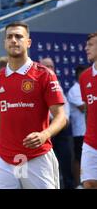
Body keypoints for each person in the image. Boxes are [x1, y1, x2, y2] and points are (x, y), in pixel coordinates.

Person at [0, 22, 66, 189]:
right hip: (4, 158)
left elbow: (61, 116)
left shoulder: (44, 74)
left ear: (28, 42)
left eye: (19, 36)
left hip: (36, 156)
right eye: (9, 37)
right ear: (4, 42)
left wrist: (44, 135)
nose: (14, 40)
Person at [40, 57, 74, 189]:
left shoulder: (57, 86)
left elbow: (65, 114)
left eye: (51, 66)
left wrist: (61, 121)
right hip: (43, 131)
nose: (49, 69)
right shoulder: (35, 85)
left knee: (66, 165)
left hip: (61, 132)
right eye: (46, 66)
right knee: (45, 169)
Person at [79, 32, 97, 189]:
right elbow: (87, 109)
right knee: (89, 183)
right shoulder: (84, 77)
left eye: (90, 45)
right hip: (91, 142)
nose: (86, 48)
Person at [67, 64, 88, 187]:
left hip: (90, 131)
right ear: (79, 75)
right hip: (80, 132)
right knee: (79, 159)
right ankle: (78, 184)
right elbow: (83, 108)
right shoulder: (75, 90)